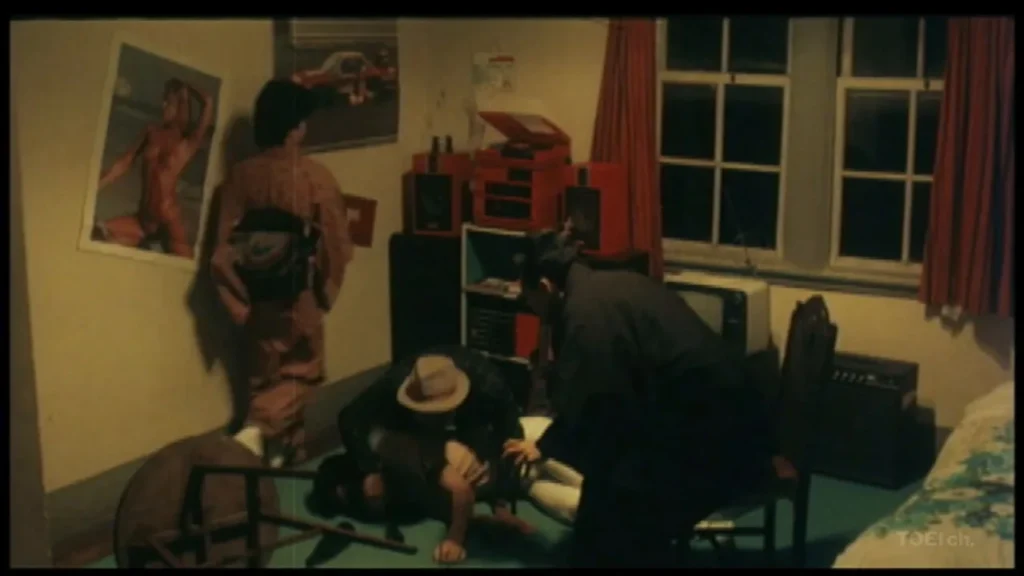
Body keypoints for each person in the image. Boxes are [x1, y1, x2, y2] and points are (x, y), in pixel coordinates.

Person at [502, 227, 775, 568]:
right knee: (604, 484)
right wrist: (547, 445)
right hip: (724, 417)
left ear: (545, 287)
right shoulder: (608, 285)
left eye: (528, 299)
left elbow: (598, 407)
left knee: (607, 506)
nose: (531, 308)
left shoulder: (586, 314)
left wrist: (550, 445)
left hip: (718, 440)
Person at [211, 79, 353, 468]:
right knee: (302, 376)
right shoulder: (314, 177)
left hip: (256, 295)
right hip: (299, 292)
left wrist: (240, 305)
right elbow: (336, 247)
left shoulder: (239, 177)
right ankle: (254, 433)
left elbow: (222, 253)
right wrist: (324, 293)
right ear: (295, 128)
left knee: (266, 379)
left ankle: (283, 453)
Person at [320, 346, 533, 564]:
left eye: (438, 414)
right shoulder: (396, 385)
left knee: (490, 450)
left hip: (469, 435)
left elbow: (511, 441)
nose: (434, 421)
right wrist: (370, 470)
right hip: (412, 457)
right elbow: (349, 418)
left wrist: (500, 506)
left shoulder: (489, 386)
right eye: (427, 414)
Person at [94, 78, 214, 258]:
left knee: (185, 265)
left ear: (182, 106)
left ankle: (151, 245)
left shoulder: (187, 142)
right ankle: (147, 245)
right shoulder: (151, 132)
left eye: (169, 102)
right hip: (143, 219)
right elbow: (124, 163)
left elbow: (208, 102)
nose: (163, 105)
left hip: (168, 221)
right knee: (98, 233)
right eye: (164, 101)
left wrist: (186, 86)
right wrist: (96, 186)